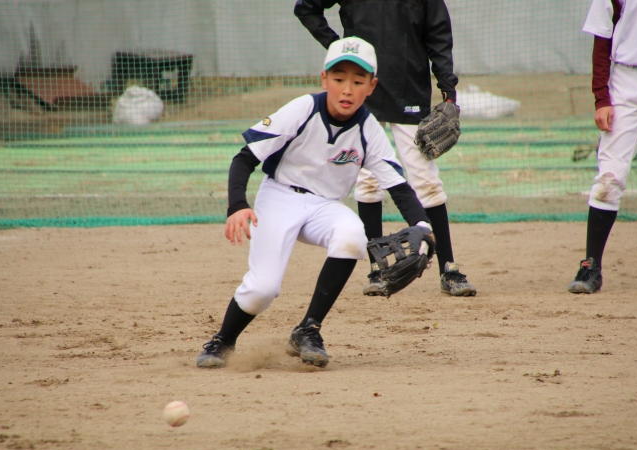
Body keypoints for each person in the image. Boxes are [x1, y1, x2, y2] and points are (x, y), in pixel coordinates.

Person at [196, 37, 434, 369]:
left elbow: (398, 186)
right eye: (339, 78)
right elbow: (245, 158)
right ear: (324, 79)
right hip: (279, 197)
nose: (347, 89)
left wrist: (423, 225)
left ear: (371, 86)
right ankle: (223, 339)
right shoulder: (302, 110)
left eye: (358, 81)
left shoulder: (369, 130)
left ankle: (308, 329)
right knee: (262, 289)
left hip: (325, 207)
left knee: (352, 235)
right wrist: (237, 204)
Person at [295, 0, 477, 297]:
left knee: (425, 180)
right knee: (367, 181)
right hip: (363, 90)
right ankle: (377, 270)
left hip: (409, 87)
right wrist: (340, 50)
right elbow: (306, 7)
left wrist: (448, 90)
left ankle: (449, 269)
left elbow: (439, 36)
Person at [568, 0, 637, 294]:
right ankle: (591, 267)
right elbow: (601, 40)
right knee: (609, 178)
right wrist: (601, 98)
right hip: (625, 80)